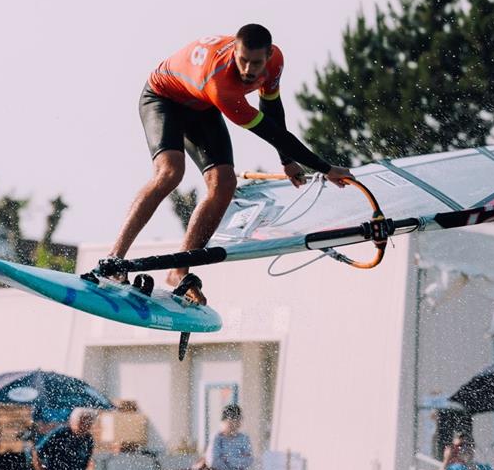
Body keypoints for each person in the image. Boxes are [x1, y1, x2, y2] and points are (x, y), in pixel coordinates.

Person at [102, 23, 353, 304]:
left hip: (201, 106)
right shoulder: (222, 86)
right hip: (164, 99)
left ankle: (178, 272)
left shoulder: (276, 62)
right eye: (242, 60)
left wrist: (288, 160)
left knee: (225, 184)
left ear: (269, 55)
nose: (248, 70)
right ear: (234, 50)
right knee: (171, 172)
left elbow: (271, 110)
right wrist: (326, 168)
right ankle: (114, 260)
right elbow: (272, 132)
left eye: (256, 63)